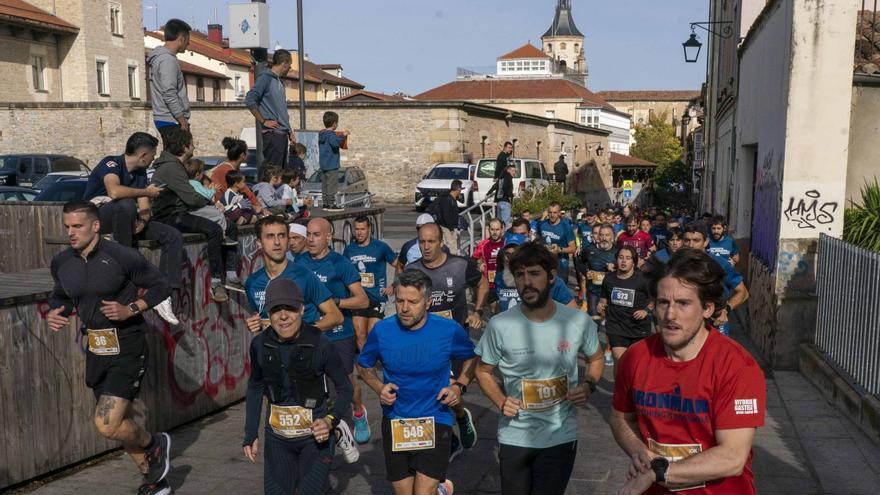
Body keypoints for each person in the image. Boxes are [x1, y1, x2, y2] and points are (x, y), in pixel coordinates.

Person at [610, 249, 766, 495]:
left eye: (683, 303)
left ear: (707, 308)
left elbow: (732, 457)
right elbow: (621, 417)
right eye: (663, 302)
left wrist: (659, 472)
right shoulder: (636, 357)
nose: (670, 314)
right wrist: (637, 449)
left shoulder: (737, 367)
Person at [47, 201, 173, 495]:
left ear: (95, 226)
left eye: (77, 226)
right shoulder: (62, 262)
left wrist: (131, 308)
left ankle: (156, 444)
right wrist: (57, 311)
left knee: (107, 423)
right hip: (96, 347)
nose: (71, 233)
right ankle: (155, 482)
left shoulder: (122, 257)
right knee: (118, 422)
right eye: (67, 227)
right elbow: (62, 296)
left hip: (127, 344)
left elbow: (162, 286)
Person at [474, 242, 604, 495]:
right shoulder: (500, 325)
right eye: (520, 275)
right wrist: (501, 401)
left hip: (560, 435)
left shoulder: (577, 322)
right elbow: (482, 371)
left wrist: (588, 385)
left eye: (534, 273)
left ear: (552, 277)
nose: (526, 282)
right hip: (515, 435)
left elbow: (596, 358)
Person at [357, 269, 475, 495]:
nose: (404, 308)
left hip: (435, 417)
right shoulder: (382, 330)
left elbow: (471, 356)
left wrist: (458, 386)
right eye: (399, 300)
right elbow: (363, 365)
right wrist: (379, 387)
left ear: (428, 302)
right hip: (396, 419)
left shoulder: (448, 330)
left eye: (413, 301)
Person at [242, 277, 353, 494]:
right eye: (276, 310)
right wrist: (250, 433)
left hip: (315, 440)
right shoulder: (259, 345)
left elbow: (345, 388)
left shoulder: (321, 343)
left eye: (290, 308)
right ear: (268, 314)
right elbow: (255, 386)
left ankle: (340, 433)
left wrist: (331, 420)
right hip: (277, 440)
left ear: (302, 309)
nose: (283, 316)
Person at [406, 222, 486, 459]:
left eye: (431, 241)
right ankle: (449, 440)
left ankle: (461, 416)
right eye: (422, 242)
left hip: (454, 343)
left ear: (441, 243)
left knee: (448, 392)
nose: (426, 247)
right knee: (430, 394)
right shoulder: (412, 270)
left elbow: (482, 283)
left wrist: (477, 311)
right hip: (424, 343)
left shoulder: (460, 265)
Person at [83, 132, 180, 325]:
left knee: (172, 235)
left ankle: (164, 293)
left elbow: (144, 208)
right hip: (98, 219)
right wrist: (147, 191)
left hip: (126, 219)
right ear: (143, 154)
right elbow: (114, 191)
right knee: (126, 204)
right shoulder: (111, 164)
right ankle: (123, 269)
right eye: (153, 155)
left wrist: (143, 222)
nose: (153, 159)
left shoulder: (140, 173)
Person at [296, 218, 372, 443]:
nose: (310, 239)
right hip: (311, 332)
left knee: (346, 381)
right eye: (308, 234)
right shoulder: (299, 263)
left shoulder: (341, 263)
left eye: (316, 234)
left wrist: (335, 302)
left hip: (339, 332)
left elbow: (362, 300)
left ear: (328, 236)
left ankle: (358, 413)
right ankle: (324, 422)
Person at [151, 127, 241, 302]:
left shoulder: (174, 166)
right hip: (171, 215)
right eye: (192, 144)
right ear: (184, 147)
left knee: (229, 226)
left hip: (181, 210)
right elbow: (191, 198)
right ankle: (216, 282)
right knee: (214, 229)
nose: (194, 147)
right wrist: (210, 203)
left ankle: (230, 274)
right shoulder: (172, 168)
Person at [682, 223, 749, 337]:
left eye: (696, 240)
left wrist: (725, 309)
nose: (691, 245)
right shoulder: (676, 264)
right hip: (685, 324)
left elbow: (743, 293)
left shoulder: (720, 264)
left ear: (706, 242)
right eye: (687, 240)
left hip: (714, 325)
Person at [343, 215, 397, 344]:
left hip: (377, 298)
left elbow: (399, 265)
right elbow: (343, 272)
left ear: (369, 229)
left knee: (372, 335)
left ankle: (374, 361)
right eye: (356, 229)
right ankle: (366, 364)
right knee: (359, 335)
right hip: (358, 298)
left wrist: (394, 285)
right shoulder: (349, 249)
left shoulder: (381, 247)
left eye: (362, 229)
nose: (359, 232)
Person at [597, 246, 653, 363]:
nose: (623, 261)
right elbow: (604, 298)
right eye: (621, 257)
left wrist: (646, 311)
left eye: (628, 258)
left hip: (638, 327)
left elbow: (655, 298)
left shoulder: (643, 279)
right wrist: (601, 305)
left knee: (636, 361)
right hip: (616, 326)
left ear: (633, 262)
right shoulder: (609, 278)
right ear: (616, 260)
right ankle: (620, 381)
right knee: (620, 357)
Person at [493, 236, 575, 312]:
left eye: (515, 254)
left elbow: (572, 312)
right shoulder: (499, 278)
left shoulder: (550, 279)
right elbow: (499, 305)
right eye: (507, 254)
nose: (511, 259)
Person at [578, 224, 618, 366]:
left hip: (611, 294)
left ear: (612, 237)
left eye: (607, 235)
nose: (604, 238)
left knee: (609, 325)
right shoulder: (590, 250)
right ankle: (595, 352)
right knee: (594, 322)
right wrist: (585, 272)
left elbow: (631, 267)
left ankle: (608, 350)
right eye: (601, 235)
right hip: (594, 291)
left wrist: (616, 268)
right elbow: (580, 262)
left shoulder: (618, 251)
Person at [246, 49, 293, 170]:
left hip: (282, 134)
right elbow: (250, 98)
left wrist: (289, 131)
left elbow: (281, 110)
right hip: (273, 135)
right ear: (284, 63)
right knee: (273, 174)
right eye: (290, 65)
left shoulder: (279, 82)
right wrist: (263, 121)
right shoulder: (265, 78)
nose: (290, 68)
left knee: (280, 174)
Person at [147, 19, 191, 144]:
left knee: (176, 158)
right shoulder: (167, 60)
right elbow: (169, 92)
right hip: (171, 120)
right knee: (177, 159)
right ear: (181, 38)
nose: (189, 43)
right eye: (188, 39)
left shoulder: (161, 58)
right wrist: (182, 120)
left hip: (167, 119)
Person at [209, 137, 266, 217]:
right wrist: (258, 206)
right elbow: (245, 191)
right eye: (247, 151)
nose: (249, 154)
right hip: (223, 209)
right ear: (242, 155)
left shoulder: (229, 168)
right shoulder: (226, 169)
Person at [183, 158, 234, 244]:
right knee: (219, 215)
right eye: (202, 172)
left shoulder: (186, 182)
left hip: (191, 210)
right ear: (198, 174)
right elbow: (206, 195)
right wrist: (213, 190)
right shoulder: (196, 184)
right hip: (197, 209)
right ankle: (224, 236)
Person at [537, 202, 576, 283]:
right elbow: (538, 239)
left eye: (555, 212)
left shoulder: (566, 227)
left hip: (561, 264)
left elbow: (573, 248)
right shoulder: (542, 224)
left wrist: (559, 249)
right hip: (545, 262)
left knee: (560, 289)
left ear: (559, 213)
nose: (552, 215)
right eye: (550, 212)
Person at [318, 111, 348, 210]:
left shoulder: (321, 134)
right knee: (332, 186)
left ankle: (325, 203)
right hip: (332, 165)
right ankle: (331, 204)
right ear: (334, 124)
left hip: (323, 165)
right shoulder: (331, 134)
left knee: (325, 186)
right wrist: (343, 135)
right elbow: (335, 144)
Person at [472, 218, 506, 302]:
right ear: (489, 230)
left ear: (502, 229)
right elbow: (472, 261)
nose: (494, 232)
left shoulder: (507, 243)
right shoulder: (483, 245)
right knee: (494, 310)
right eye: (492, 229)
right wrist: (478, 267)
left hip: (505, 282)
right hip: (490, 283)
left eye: (497, 229)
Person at [429, 179, 464, 255]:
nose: (460, 191)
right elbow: (446, 215)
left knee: (452, 247)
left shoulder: (451, 198)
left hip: (450, 227)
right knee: (451, 249)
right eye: (460, 189)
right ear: (458, 189)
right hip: (447, 228)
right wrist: (451, 228)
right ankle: (450, 264)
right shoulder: (447, 199)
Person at [491, 162, 515, 226]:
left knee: (499, 223)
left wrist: (488, 193)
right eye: (512, 171)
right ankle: (503, 235)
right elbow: (505, 188)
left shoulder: (502, 177)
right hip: (505, 202)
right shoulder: (508, 177)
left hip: (499, 202)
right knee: (504, 224)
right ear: (508, 170)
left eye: (515, 171)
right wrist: (510, 195)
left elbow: (495, 186)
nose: (514, 172)